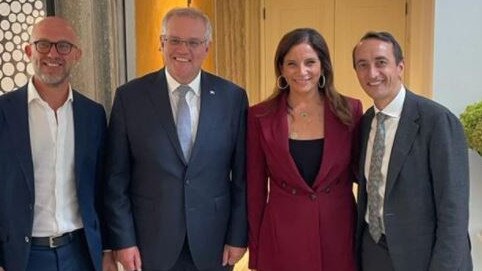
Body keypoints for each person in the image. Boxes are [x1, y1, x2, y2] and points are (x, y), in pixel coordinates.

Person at [103, 7, 248, 271]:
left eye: (193, 42)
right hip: (150, 244)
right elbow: (116, 180)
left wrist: (237, 237)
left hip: (212, 243)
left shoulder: (232, 98)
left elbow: (241, 179)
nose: (184, 50)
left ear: (207, 47)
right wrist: (123, 241)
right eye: (175, 40)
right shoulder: (129, 97)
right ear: (161, 43)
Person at [0, 17, 116, 271]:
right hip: (21, 257)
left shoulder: (93, 114)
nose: (53, 53)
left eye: (63, 46)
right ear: (29, 50)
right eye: (43, 44)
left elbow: (103, 186)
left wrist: (108, 249)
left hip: (81, 253)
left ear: (77, 54)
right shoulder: (4, 112)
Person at [352, 31, 472, 271]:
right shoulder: (365, 123)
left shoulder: (437, 121)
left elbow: (454, 214)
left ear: (400, 67)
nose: (372, 73)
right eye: (362, 65)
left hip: (423, 257)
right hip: (373, 251)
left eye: (381, 62)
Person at [247, 28, 362, 271]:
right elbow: (255, 189)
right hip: (283, 237)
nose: (302, 72)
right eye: (292, 63)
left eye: (310, 62)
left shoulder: (350, 110)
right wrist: (256, 252)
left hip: (338, 234)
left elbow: (362, 176)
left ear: (323, 66)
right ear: (281, 68)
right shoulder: (259, 116)